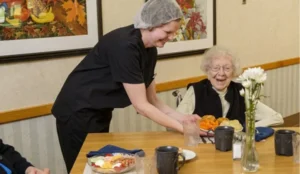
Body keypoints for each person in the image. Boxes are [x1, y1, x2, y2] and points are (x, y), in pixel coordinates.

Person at [51, 0, 199, 172]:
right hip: (77, 110)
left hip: (100, 110)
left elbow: (152, 100)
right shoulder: (125, 46)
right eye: (167, 32)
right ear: (151, 24)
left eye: (174, 33)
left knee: (101, 166)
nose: (171, 37)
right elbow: (142, 106)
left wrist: (183, 119)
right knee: (86, 169)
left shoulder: (150, 49)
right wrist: (183, 130)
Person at [176, 46, 284, 127]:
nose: (221, 73)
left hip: (235, 147)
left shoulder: (241, 91)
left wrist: (248, 129)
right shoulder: (196, 90)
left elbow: (276, 118)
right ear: (207, 71)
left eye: (227, 68)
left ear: (233, 72)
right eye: (216, 68)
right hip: (204, 147)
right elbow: (176, 121)